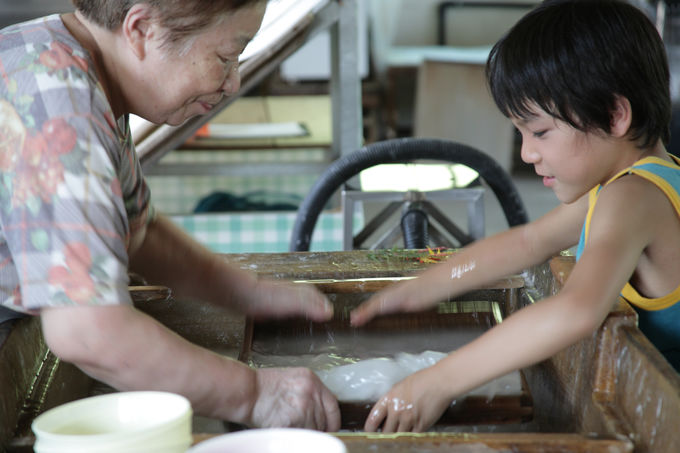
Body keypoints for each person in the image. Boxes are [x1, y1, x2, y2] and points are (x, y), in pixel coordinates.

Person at [0, 0, 341, 431]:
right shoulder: (57, 101)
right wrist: (255, 395)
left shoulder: (79, 65)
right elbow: (88, 332)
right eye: (226, 57)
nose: (233, 82)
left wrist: (247, 293)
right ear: (142, 30)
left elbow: (139, 230)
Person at [350, 0, 680, 433]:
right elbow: (527, 243)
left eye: (540, 132)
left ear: (616, 115)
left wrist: (437, 381)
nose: (527, 153)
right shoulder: (633, 183)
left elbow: (575, 312)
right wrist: (423, 288)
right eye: (521, 133)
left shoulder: (632, 197)